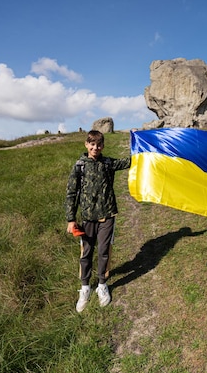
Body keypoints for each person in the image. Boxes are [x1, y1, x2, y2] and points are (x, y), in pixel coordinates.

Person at [65, 130, 131, 311]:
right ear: (86, 144)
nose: (96, 147)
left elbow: (129, 162)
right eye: (92, 144)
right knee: (86, 253)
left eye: (99, 144)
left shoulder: (108, 163)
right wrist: (71, 219)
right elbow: (71, 193)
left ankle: (102, 284)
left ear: (103, 146)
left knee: (103, 251)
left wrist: (142, 148)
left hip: (108, 215)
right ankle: (85, 287)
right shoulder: (80, 166)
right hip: (87, 218)